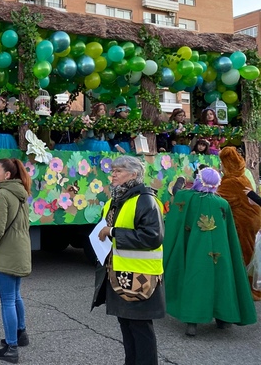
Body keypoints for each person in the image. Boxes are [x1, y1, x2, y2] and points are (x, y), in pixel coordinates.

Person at [163, 167, 257, 336]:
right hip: (221, 250)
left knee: (195, 278)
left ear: (198, 180)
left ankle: (192, 321)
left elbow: (176, 197)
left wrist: (180, 182)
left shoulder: (186, 197)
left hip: (194, 249)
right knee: (222, 279)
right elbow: (229, 231)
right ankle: (223, 318)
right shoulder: (222, 203)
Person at [92, 156, 165, 365]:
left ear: (134, 175)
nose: (113, 174)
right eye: (113, 170)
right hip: (119, 274)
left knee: (141, 330)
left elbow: (152, 236)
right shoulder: (115, 200)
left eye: (119, 171)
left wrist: (113, 231)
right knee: (127, 326)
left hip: (141, 277)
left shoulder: (145, 200)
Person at [0, 158, 32, 364]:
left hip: (7, 252)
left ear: (7, 175)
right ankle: (21, 334)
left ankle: (11, 347)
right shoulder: (21, 194)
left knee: (8, 300)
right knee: (15, 296)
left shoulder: (2, 195)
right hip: (21, 250)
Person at [217, 146, 261, 301]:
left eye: (222, 163)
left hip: (245, 222)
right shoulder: (241, 177)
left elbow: (218, 199)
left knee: (246, 252)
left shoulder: (232, 181)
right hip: (251, 220)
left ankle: (250, 289)